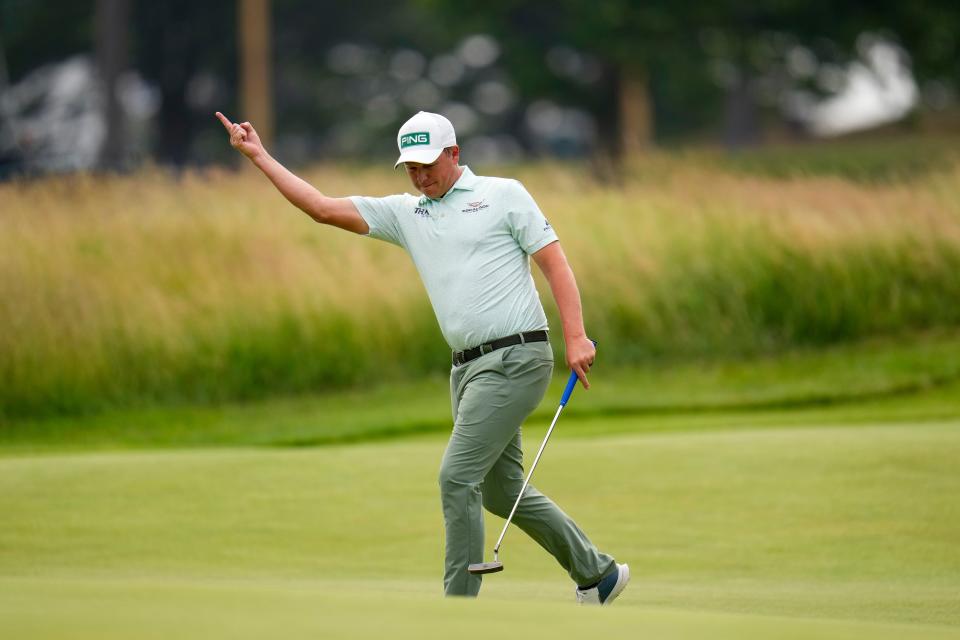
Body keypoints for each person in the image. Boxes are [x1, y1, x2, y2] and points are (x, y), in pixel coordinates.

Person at [215, 109, 629, 605]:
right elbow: (322, 208)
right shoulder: (407, 214)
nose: (420, 175)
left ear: (454, 154)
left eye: (429, 163)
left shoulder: (502, 195)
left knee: (456, 477)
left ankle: (457, 613)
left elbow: (554, 263)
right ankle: (597, 574)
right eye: (411, 167)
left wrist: (576, 335)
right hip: (467, 370)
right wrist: (259, 156)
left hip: (518, 358)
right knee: (499, 490)